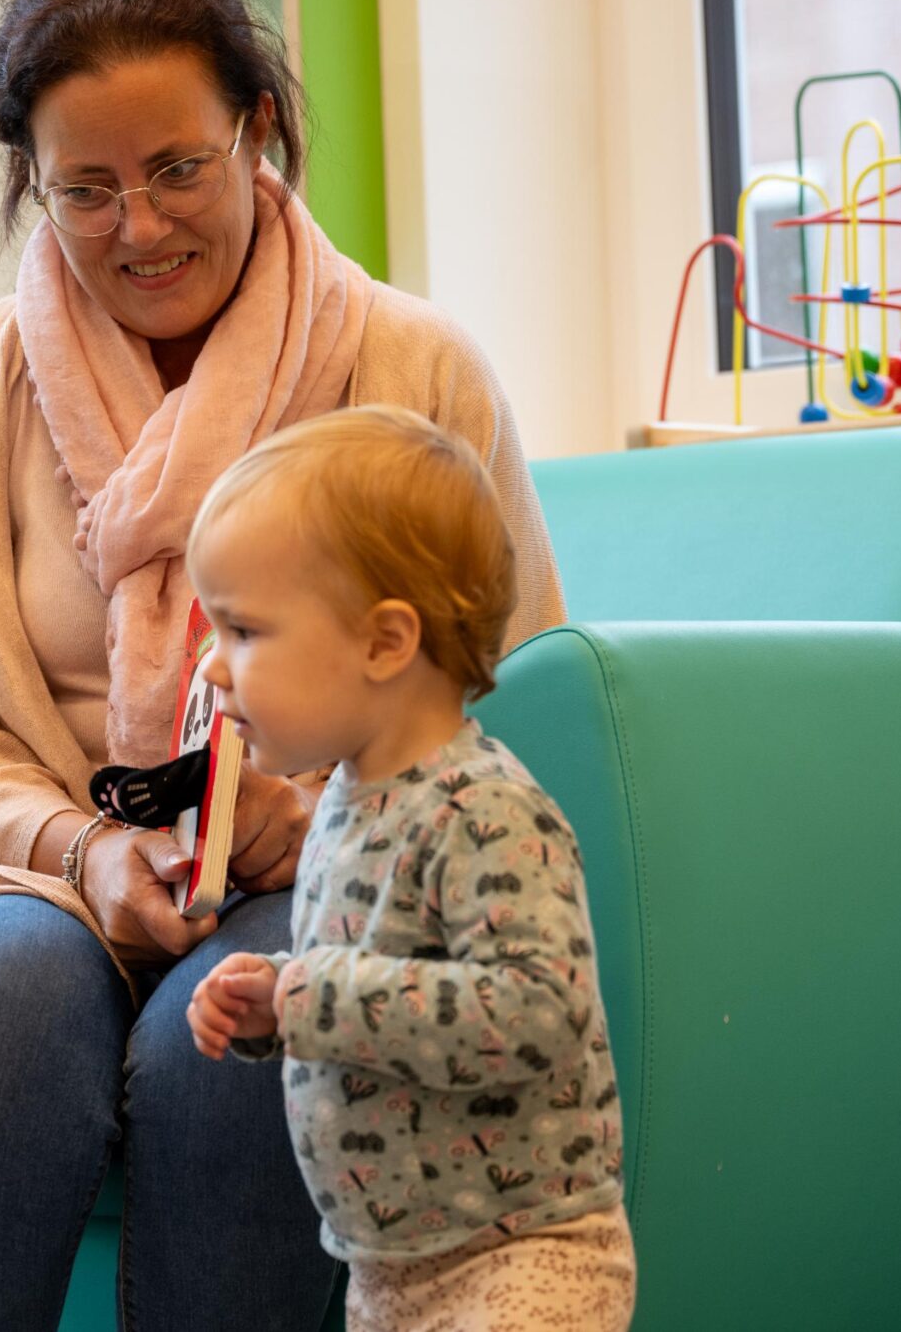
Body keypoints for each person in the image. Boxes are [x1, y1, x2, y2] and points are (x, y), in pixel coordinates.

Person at [0, 0, 568, 1331]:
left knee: (238, 1023)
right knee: (2, 998)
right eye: (87, 190)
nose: (141, 227)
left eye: (180, 167)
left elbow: (504, 687)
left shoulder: (415, 367)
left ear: (258, 133)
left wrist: (312, 815)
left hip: (324, 869)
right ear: (31, 187)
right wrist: (85, 849)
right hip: (24, 871)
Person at [185, 407, 634, 1332]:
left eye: (242, 632)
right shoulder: (351, 798)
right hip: (391, 1267)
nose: (211, 668)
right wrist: (273, 1003)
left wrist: (308, 992)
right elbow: (377, 982)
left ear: (386, 643)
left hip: (521, 1255)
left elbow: (538, 1009)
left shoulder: (484, 810)